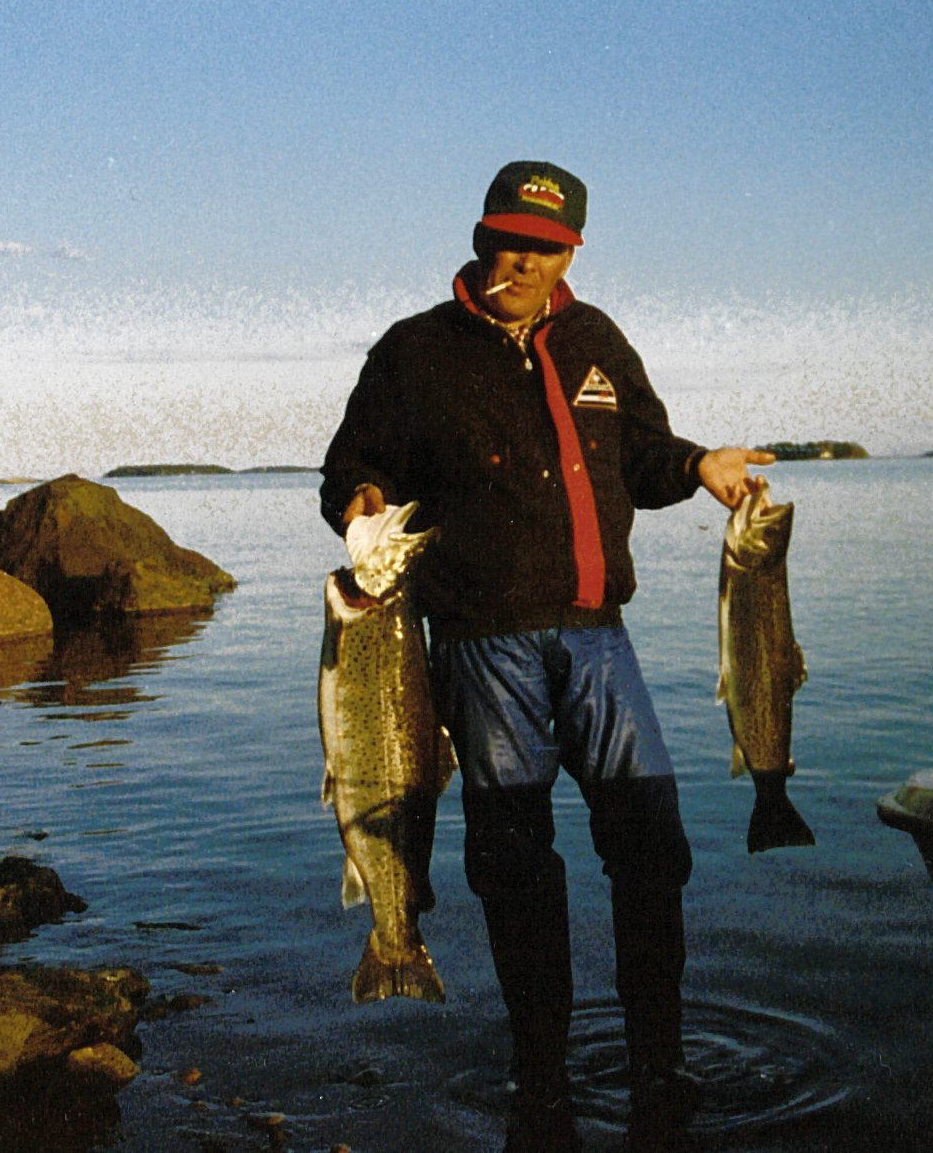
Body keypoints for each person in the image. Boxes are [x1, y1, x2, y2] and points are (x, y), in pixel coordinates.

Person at [319, 160, 773, 1152]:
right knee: (515, 863)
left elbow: (643, 459)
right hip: (480, 648)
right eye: (503, 242)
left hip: (598, 638)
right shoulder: (412, 352)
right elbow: (352, 466)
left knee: (651, 850)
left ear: (571, 249)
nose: (517, 262)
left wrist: (698, 466)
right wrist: (355, 497)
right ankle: (540, 1082)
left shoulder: (595, 339)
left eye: (541, 246)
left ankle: (658, 1065)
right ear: (481, 240)